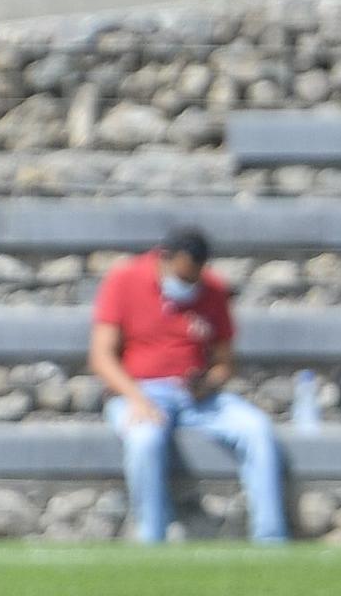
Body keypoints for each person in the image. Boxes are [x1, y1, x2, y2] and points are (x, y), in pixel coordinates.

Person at [89, 226, 289, 544]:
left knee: (257, 429)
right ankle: (151, 536)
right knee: (144, 440)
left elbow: (225, 363)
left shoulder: (212, 289)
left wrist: (208, 382)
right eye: (183, 278)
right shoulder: (124, 280)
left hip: (196, 398)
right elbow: (101, 357)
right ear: (164, 260)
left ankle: (271, 537)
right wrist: (137, 398)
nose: (189, 285)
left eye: (195, 278)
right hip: (139, 392)